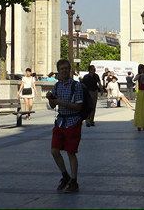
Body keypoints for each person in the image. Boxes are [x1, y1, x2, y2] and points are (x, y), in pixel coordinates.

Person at [46, 59, 83, 193]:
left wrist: (61, 102)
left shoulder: (76, 85)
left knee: (71, 152)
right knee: (54, 151)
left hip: (73, 122)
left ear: (70, 70)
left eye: (66, 68)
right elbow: (52, 105)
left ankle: (74, 181)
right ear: (58, 71)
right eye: (62, 69)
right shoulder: (57, 86)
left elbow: (79, 107)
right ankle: (65, 175)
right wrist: (50, 98)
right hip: (60, 121)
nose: (64, 71)